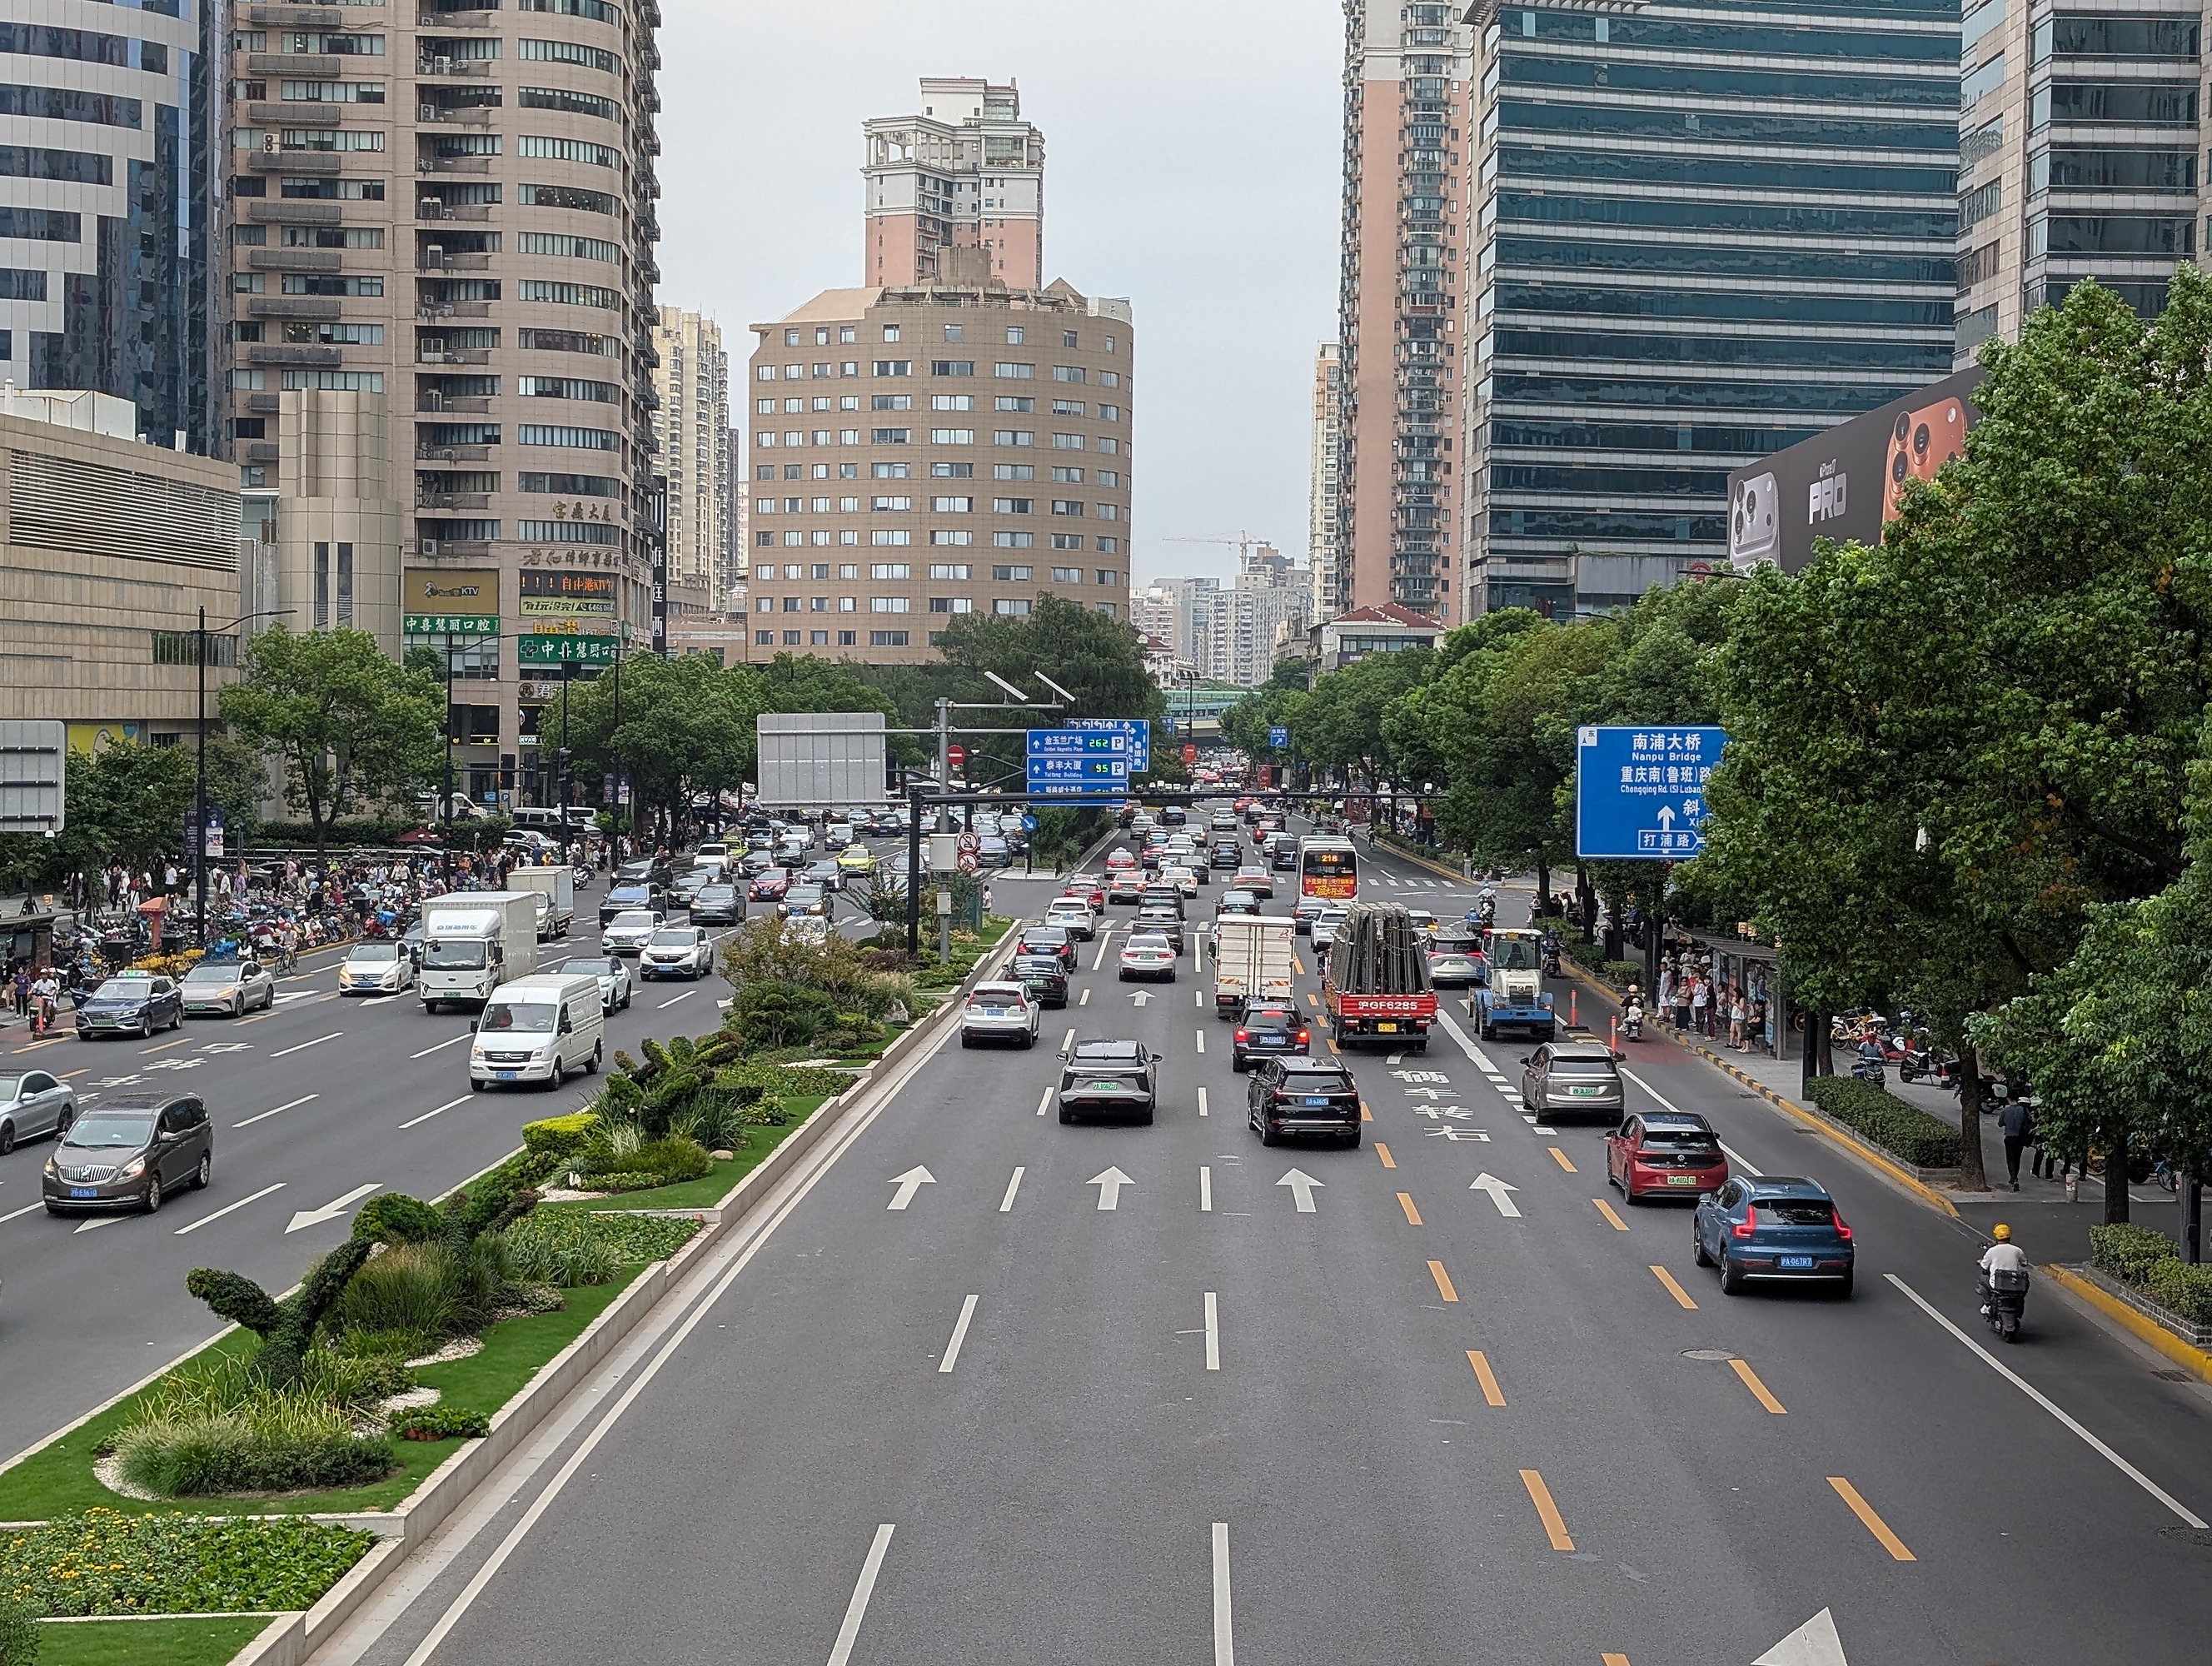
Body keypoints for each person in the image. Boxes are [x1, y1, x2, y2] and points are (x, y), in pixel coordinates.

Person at [1979, 1223, 2028, 1314]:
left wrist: (1980, 1262)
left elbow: (1984, 1266)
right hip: (2015, 1283)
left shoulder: (1991, 1251)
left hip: (1996, 1285)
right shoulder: (2017, 1250)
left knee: (1982, 1280)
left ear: (1996, 1236)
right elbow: (2024, 1263)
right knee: (2026, 1281)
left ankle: (1987, 1304)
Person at [1997, 1096, 2036, 1191]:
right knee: (2017, 1159)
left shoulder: (2005, 1111)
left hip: (2009, 1137)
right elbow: (2029, 1123)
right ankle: (2014, 1178)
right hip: (2020, 1138)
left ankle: (2013, 1179)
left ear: (2009, 1099)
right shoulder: (2023, 1110)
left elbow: (2000, 1124)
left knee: (2010, 1159)